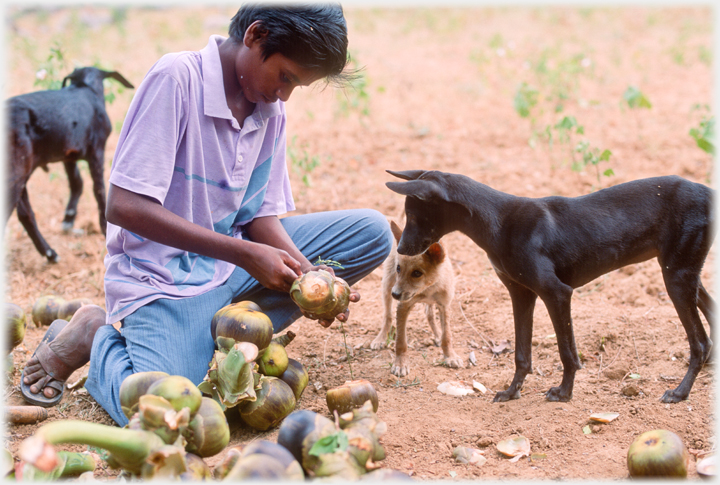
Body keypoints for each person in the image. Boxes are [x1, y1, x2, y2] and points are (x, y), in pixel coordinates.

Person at [21, 3, 392, 425]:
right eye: (285, 77)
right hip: (165, 277)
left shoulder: (268, 108)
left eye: (297, 86)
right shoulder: (177, 79)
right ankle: (97, 335)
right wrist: (244, 254)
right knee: (167, 415)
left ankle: (212, 337)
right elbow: (124, 205)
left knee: (374, 232)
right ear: (255, 36)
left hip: (229, 265)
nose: (284, 95)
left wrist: (311, 278)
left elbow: (259, 217)